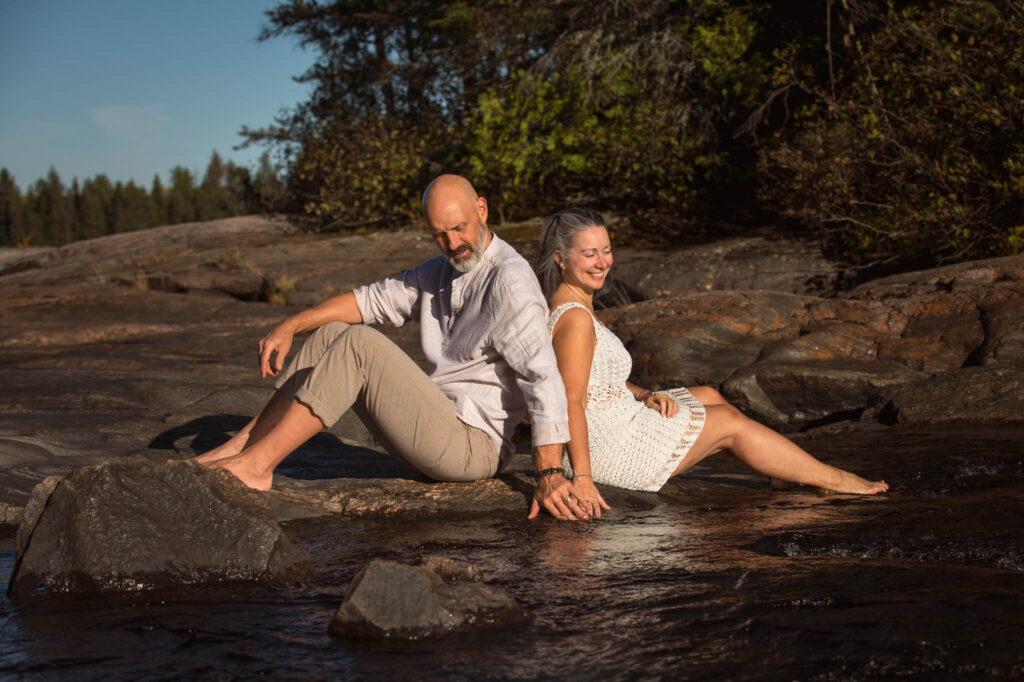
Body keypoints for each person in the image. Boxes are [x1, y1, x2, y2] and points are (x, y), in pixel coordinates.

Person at [196, 175, 584, 520]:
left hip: (472, 446)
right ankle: (241, 448)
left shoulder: (510, 281)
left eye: (459, 228)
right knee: (332, 332)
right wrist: (291, 325)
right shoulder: (442, 268)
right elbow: (369, 302)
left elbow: (542, 377)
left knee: (360, 345)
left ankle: (259, 468)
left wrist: (549, 474)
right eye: (439, 233)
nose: (452, 243)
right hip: (435, 424)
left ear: (481, 209)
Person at [534, 208, 889, 517]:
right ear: (561, 258)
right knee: (728, 424)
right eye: (590, 254)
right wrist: (582, 478)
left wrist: (643, 396)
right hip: (604, 447)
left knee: (707, 394)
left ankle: (782, 470)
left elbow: (598, 377)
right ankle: (835, 479)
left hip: (617, 416)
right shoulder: (576, 319)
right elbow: (570, 399)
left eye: (607, 251)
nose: (603, 262)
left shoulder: (573, 305)